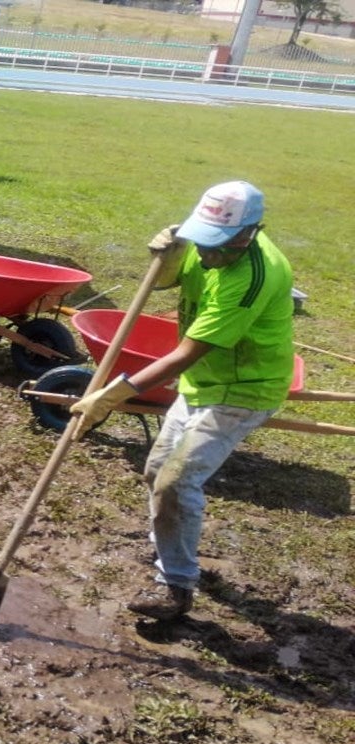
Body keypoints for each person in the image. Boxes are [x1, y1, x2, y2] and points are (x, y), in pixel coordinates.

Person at [71, 180, 295, 621]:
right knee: (157, 471)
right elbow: (168, 281)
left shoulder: (253, 276)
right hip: (201, 381)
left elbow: (187, 353)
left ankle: (175, 586)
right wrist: (169, 259)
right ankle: (170, 547)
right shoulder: (205, 240)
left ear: (252, 232)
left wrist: (111, 395)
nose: (209, 253)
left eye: (222, 245)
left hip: (243, 390)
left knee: (175, 481)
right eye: (204, 241)